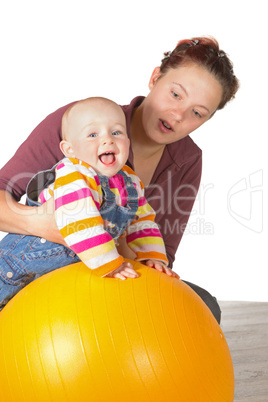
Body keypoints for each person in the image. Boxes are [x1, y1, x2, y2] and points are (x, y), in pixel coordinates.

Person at [0, 37, 239, 322]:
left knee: (201, 307)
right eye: (175, 94)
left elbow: (158, 246)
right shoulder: (83, 121)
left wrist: (152, 262)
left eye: (197, 113)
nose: (177, 115)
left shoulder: (186, 160)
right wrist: (51, 226)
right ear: (155, 78)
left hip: (114, 272)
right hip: (40, 271)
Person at [0, 97, 179, 310]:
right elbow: (81, 223)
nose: (107, 140)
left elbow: (143, 222)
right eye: (93, 135)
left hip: (63, 272)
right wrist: (110, 264)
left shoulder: (130, 182)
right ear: (70, 150)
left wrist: (152, 257)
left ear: (127, 143)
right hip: (15, 267)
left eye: (116, 132)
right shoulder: (74, 175)